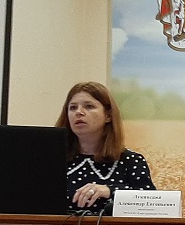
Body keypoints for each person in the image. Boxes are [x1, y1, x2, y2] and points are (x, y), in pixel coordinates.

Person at [55, 82, 156, 214]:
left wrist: (110, 190)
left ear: (108, 116)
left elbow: (152, 203)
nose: (79, 112)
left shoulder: (131, 161)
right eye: (73, 108)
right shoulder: (53, 159)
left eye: (89, 106)